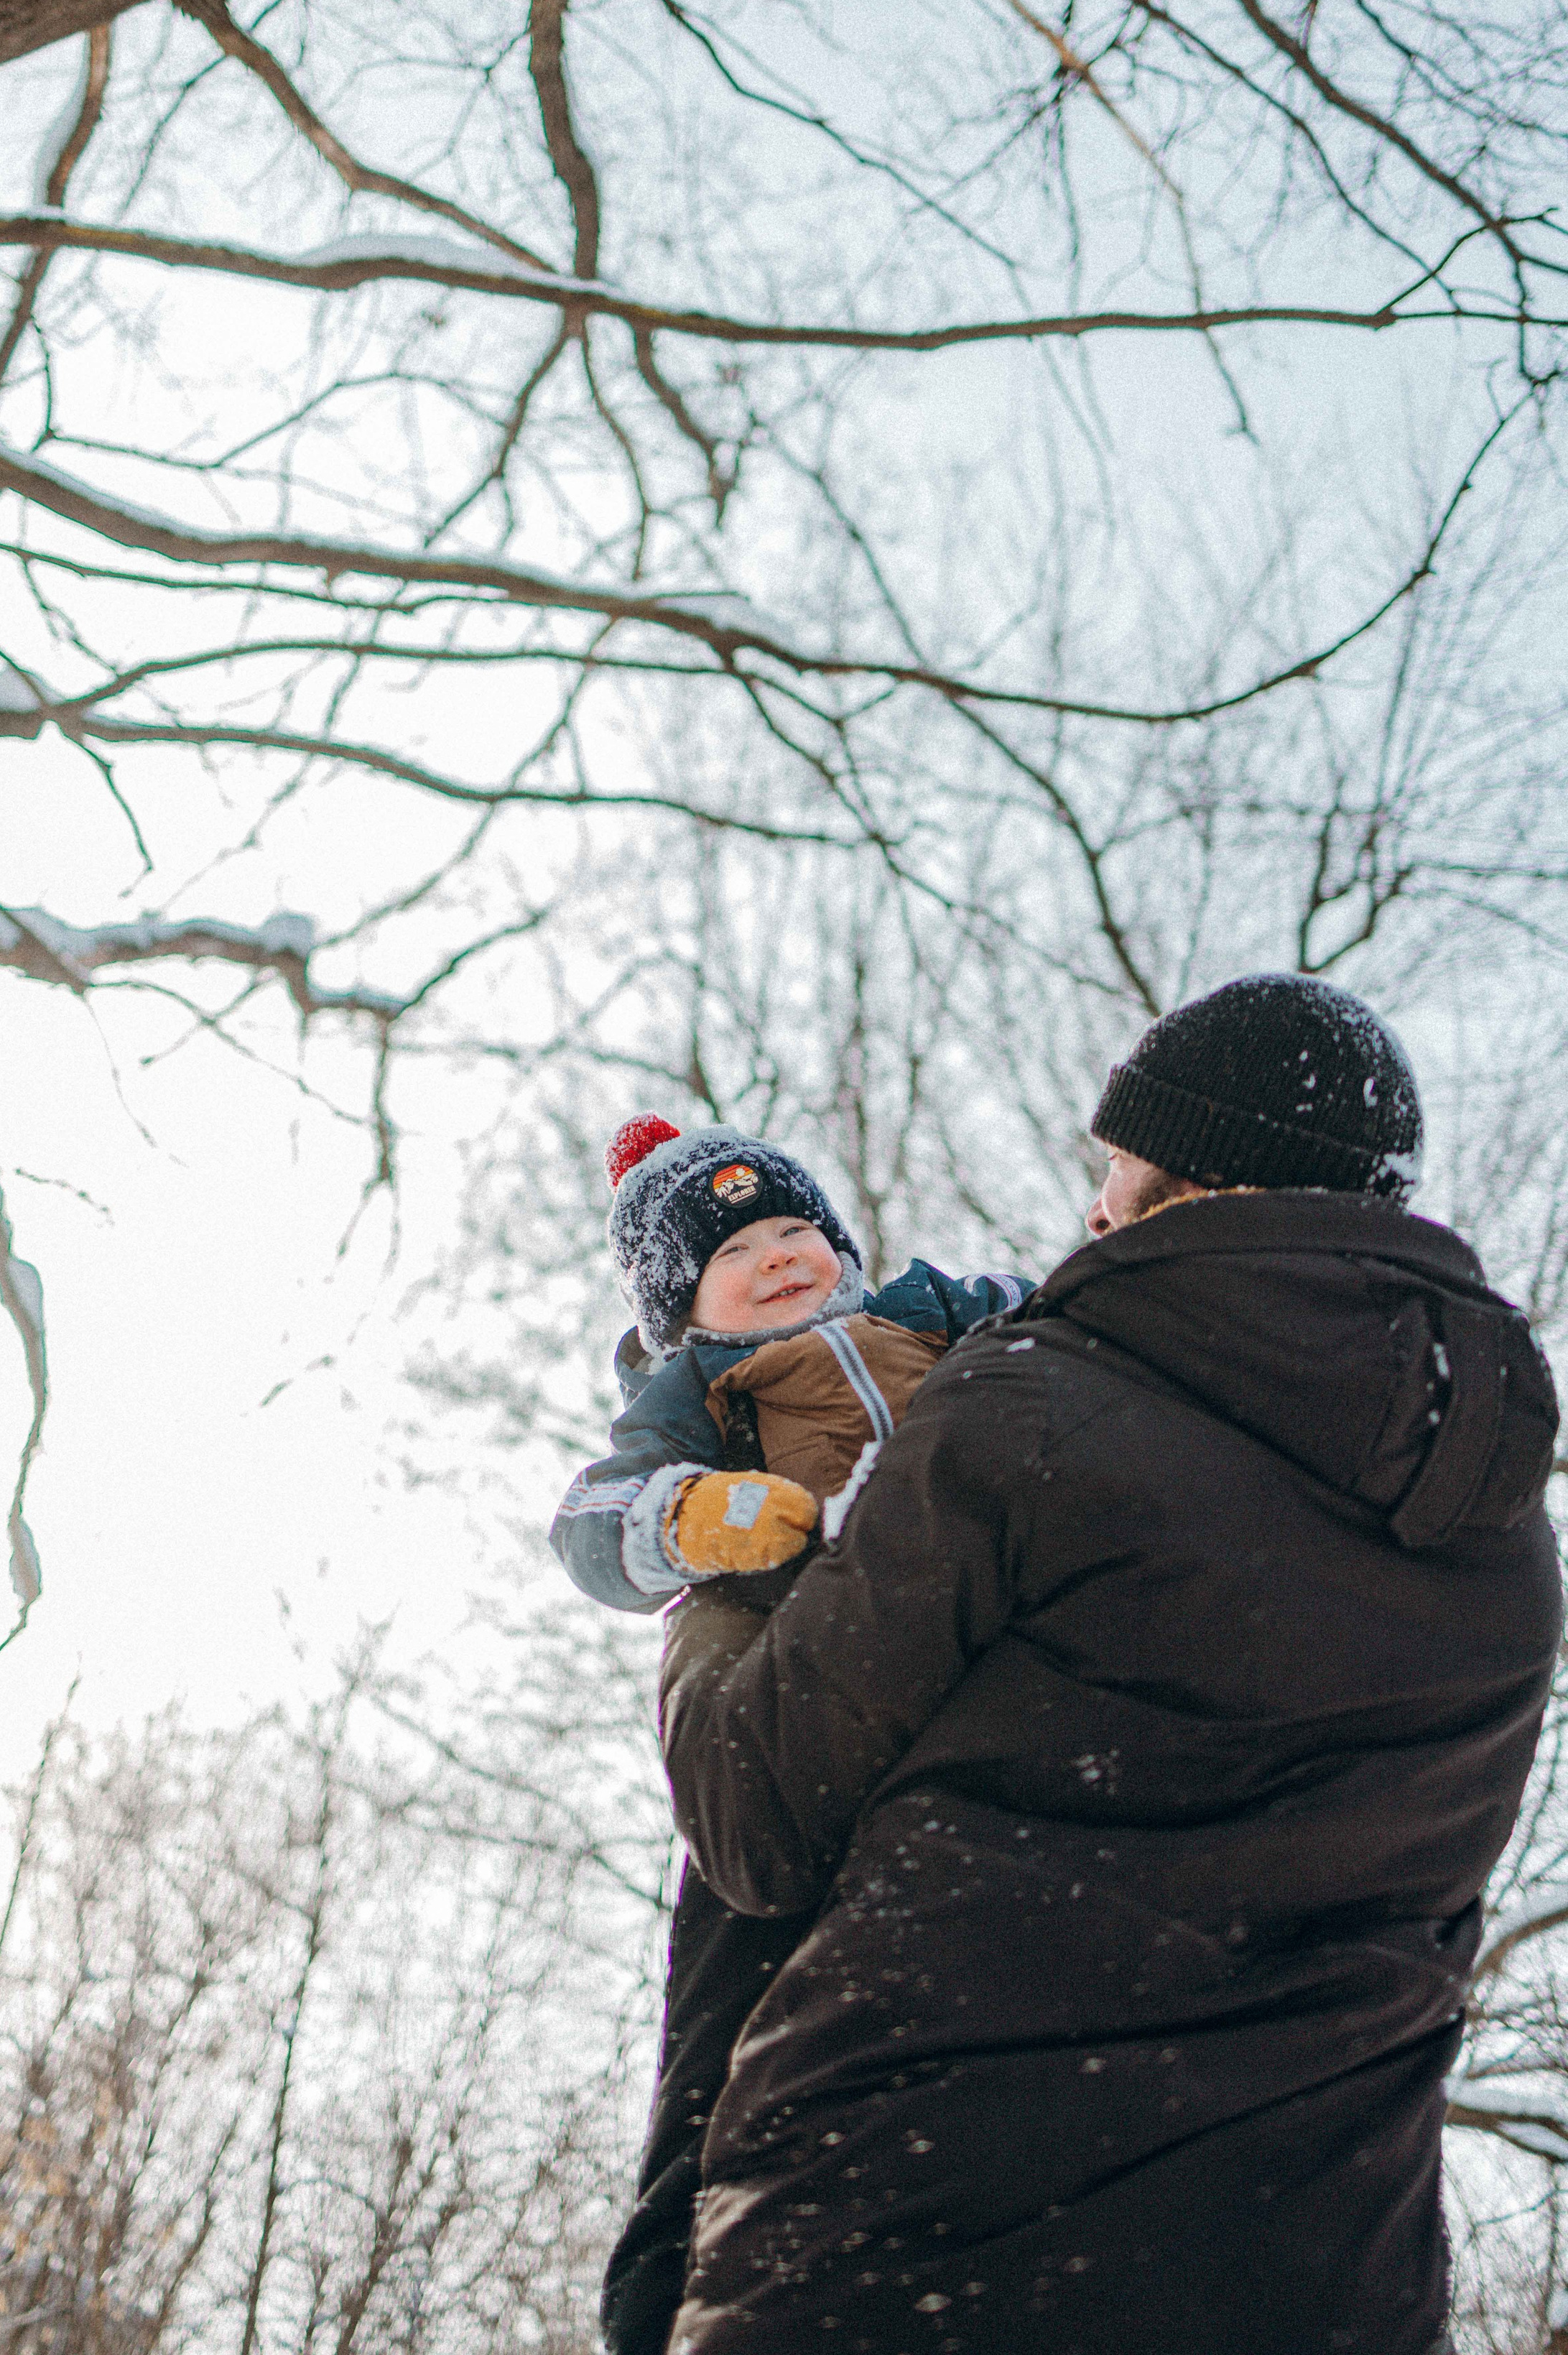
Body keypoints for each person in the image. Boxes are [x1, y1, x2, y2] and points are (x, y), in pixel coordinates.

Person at [656, 973, 1562, 2355]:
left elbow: (755, 1813)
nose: (1093, 1206)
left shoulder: (1026, 1408)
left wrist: (714, 1562)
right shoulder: (1503, 1543)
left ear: (1197, 1178)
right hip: (1323, 2281)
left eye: (1122, 1165)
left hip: (920, 2248)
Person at [547, 1113, 1031, 2353]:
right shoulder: (693, 1392)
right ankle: (669, 2284)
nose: (779, 1254)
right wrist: (696, 1515)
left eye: (793, 1225)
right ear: (683, 1310)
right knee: (730, 1998)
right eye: (736, 1250)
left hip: (969, 1663)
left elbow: (1078, 1319)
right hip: (788, 1684)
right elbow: (590, 1519)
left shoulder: (937, 1312)